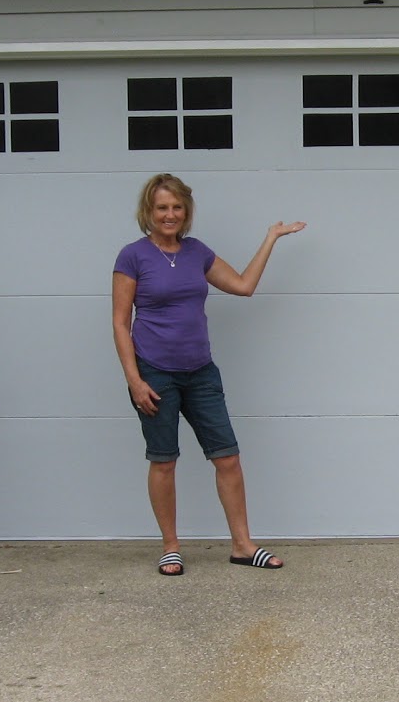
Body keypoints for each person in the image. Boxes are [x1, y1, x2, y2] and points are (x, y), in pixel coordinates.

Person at [112, 174, 306, 576]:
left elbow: (243, 285)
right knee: (164, 461)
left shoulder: (196, 252)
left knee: (228, 458)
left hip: (201, 372)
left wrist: (270, 237)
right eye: (162, 207)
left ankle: (242, 545)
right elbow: (119, 321)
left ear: (186, 211)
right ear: (148, 211)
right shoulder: (132, 256)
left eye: (177, 207)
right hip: (154, 373)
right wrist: (135, 380)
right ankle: (170, 547)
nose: (170, 215)